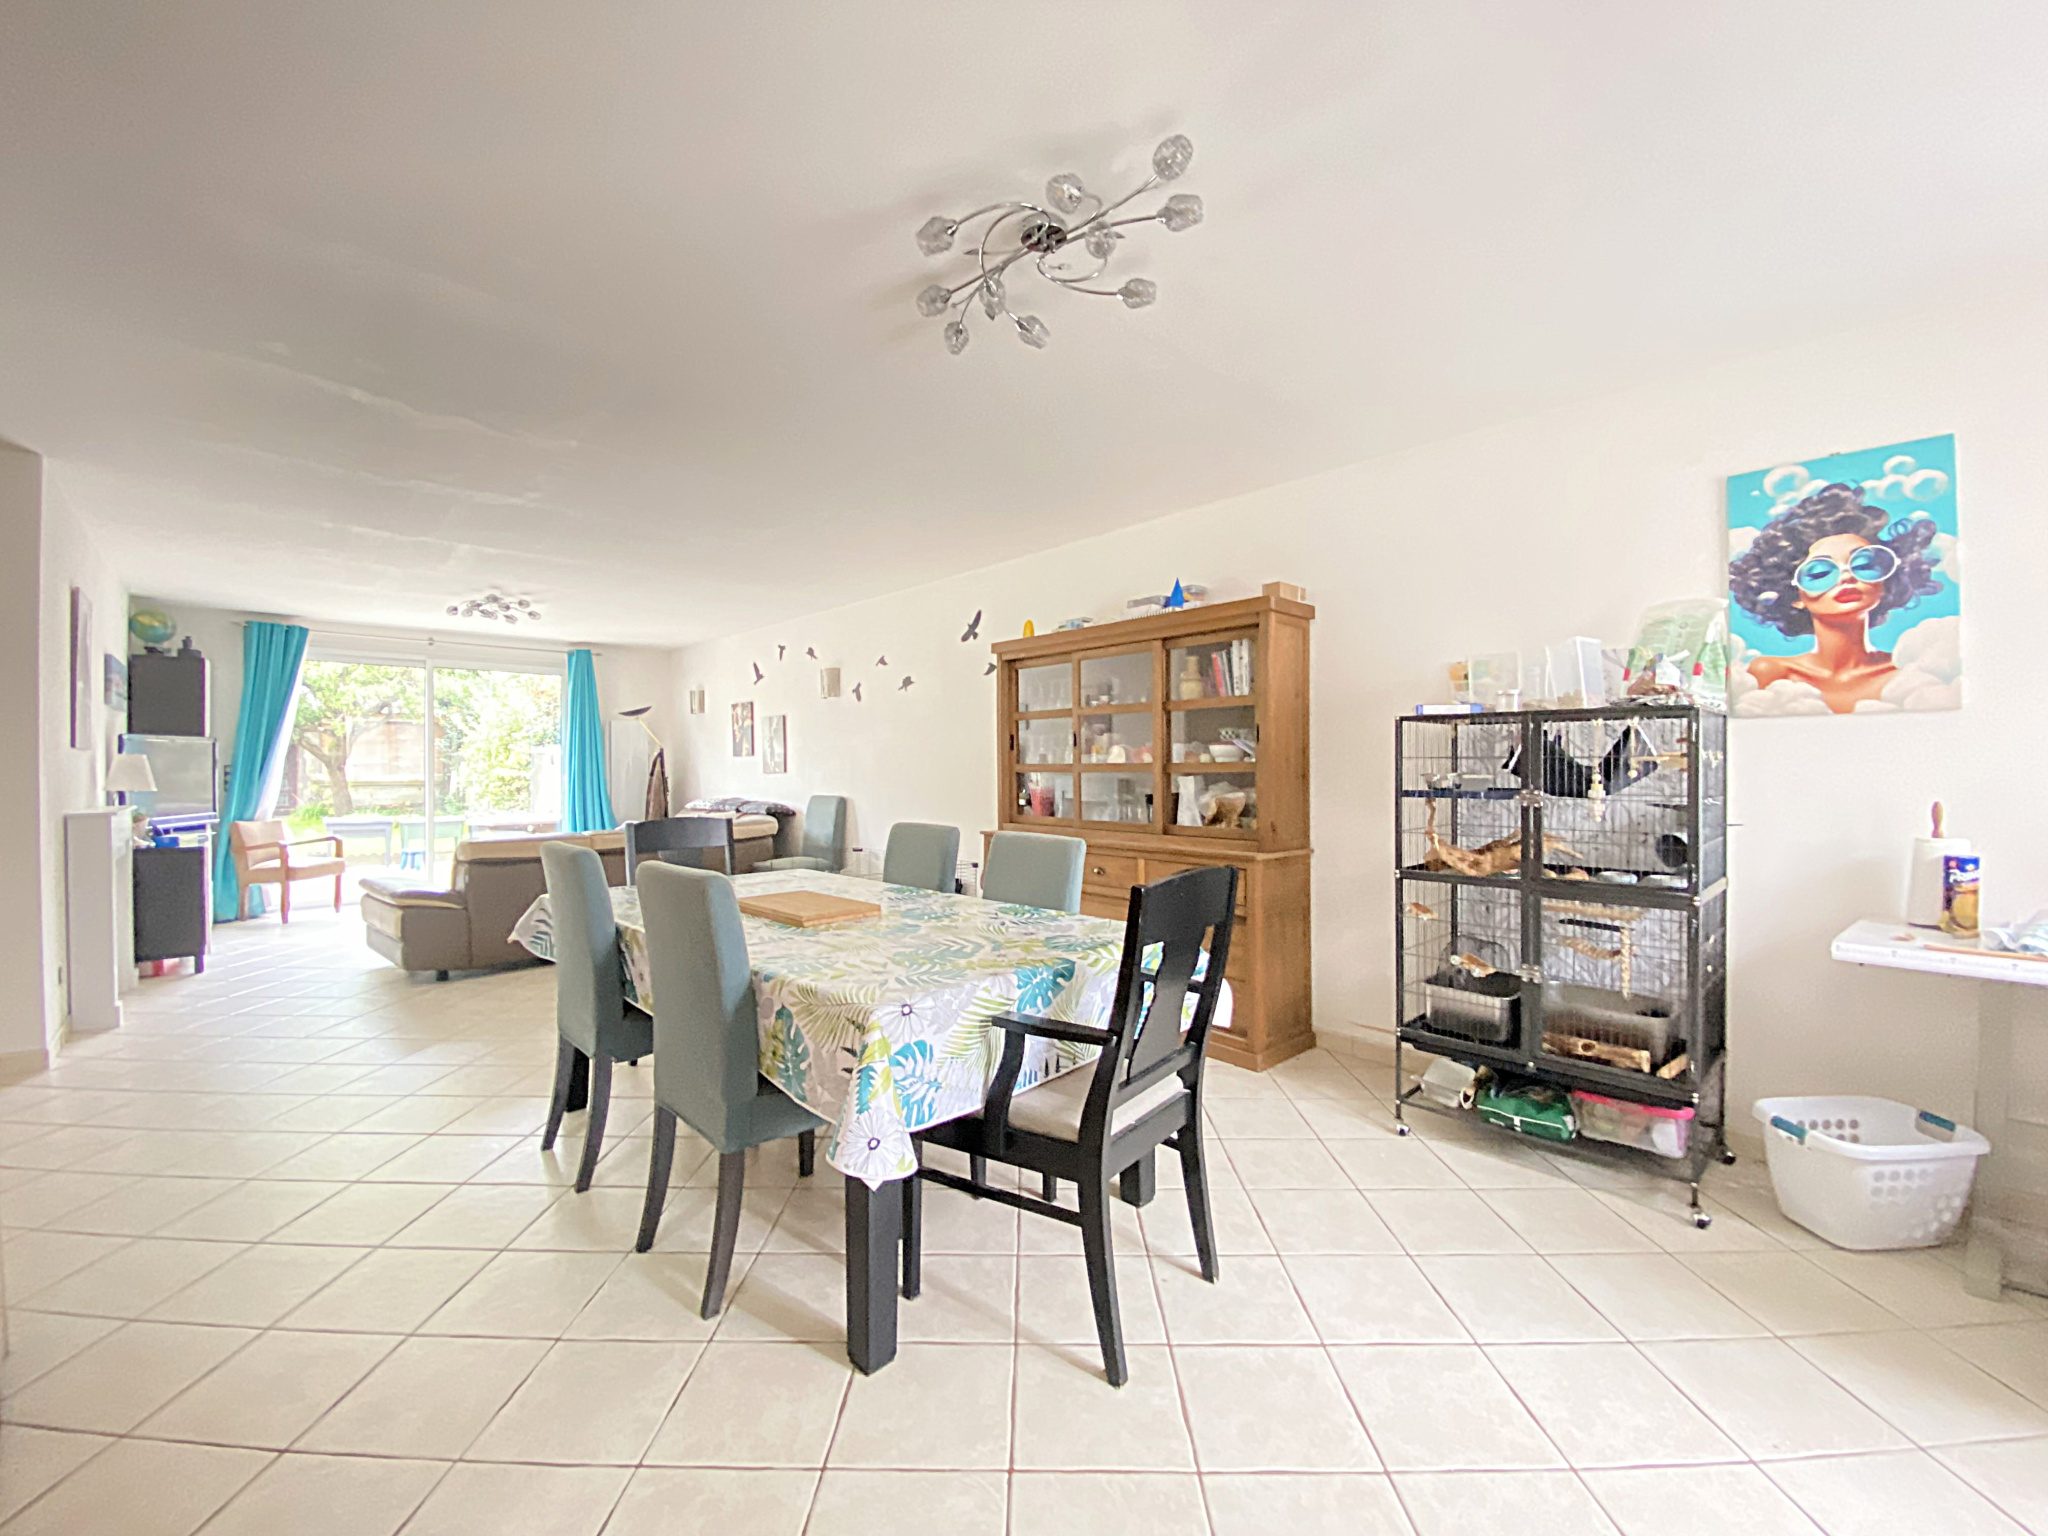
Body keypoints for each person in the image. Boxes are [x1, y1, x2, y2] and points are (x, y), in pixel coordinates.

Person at [1729, 482, 1942, 713]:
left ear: (1885, 582)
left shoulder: (1905, 675)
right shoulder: (1771, 673)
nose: (1847, 577)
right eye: (1820, 573)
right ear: (1795, 596)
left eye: (1863, 565)